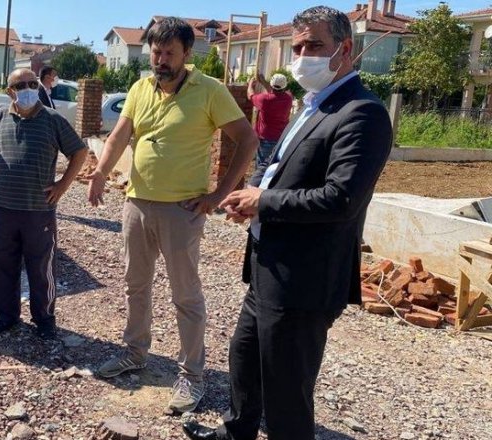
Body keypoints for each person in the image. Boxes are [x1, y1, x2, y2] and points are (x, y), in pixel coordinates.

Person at [184, 6, 393, 440]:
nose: (302, 56)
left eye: (313, 46)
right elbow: (278, 163)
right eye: (297, 47)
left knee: (286, 389)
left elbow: (342, 198)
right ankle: (237, 432)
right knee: (245, 359)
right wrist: (253, 196)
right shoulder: (314, 104)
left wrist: (265, 200)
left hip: (306, 276)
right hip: (269, 265)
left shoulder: (362, 112)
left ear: (345, 49)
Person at [86, 17, 258, 413]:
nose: (160, 60)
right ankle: (134, 352)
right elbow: (119, 136)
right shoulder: (140, 88)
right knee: (135, 285)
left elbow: (247, 139)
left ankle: (192, 376)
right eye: (155, 52)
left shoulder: (210, 90)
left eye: (169, 53)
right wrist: (98, 174)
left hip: (182, 211)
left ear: (186, 53)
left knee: (185, 295)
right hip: (137, 202)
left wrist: (219, 193)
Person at [0, 68, 87, 340]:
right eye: (21, 85)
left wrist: (62, 186)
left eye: (33, 83)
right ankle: (6, 316)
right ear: (10, 91)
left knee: (41, 267)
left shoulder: (53, 119)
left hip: (39, 212)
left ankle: (44, 319)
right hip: (4, 209)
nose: (29, 88)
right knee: (3, 264)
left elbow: (79, 152)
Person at [247, 72, 293, 167]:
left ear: (271, 85)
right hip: (282, 139)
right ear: (284, 86)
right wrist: (263, 81)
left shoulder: (265, 100)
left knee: (262, 169)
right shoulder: (288, 98)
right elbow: (274, 93)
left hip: (266, 140)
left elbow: (250, 95)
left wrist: (250, 84)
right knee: (275, 168)